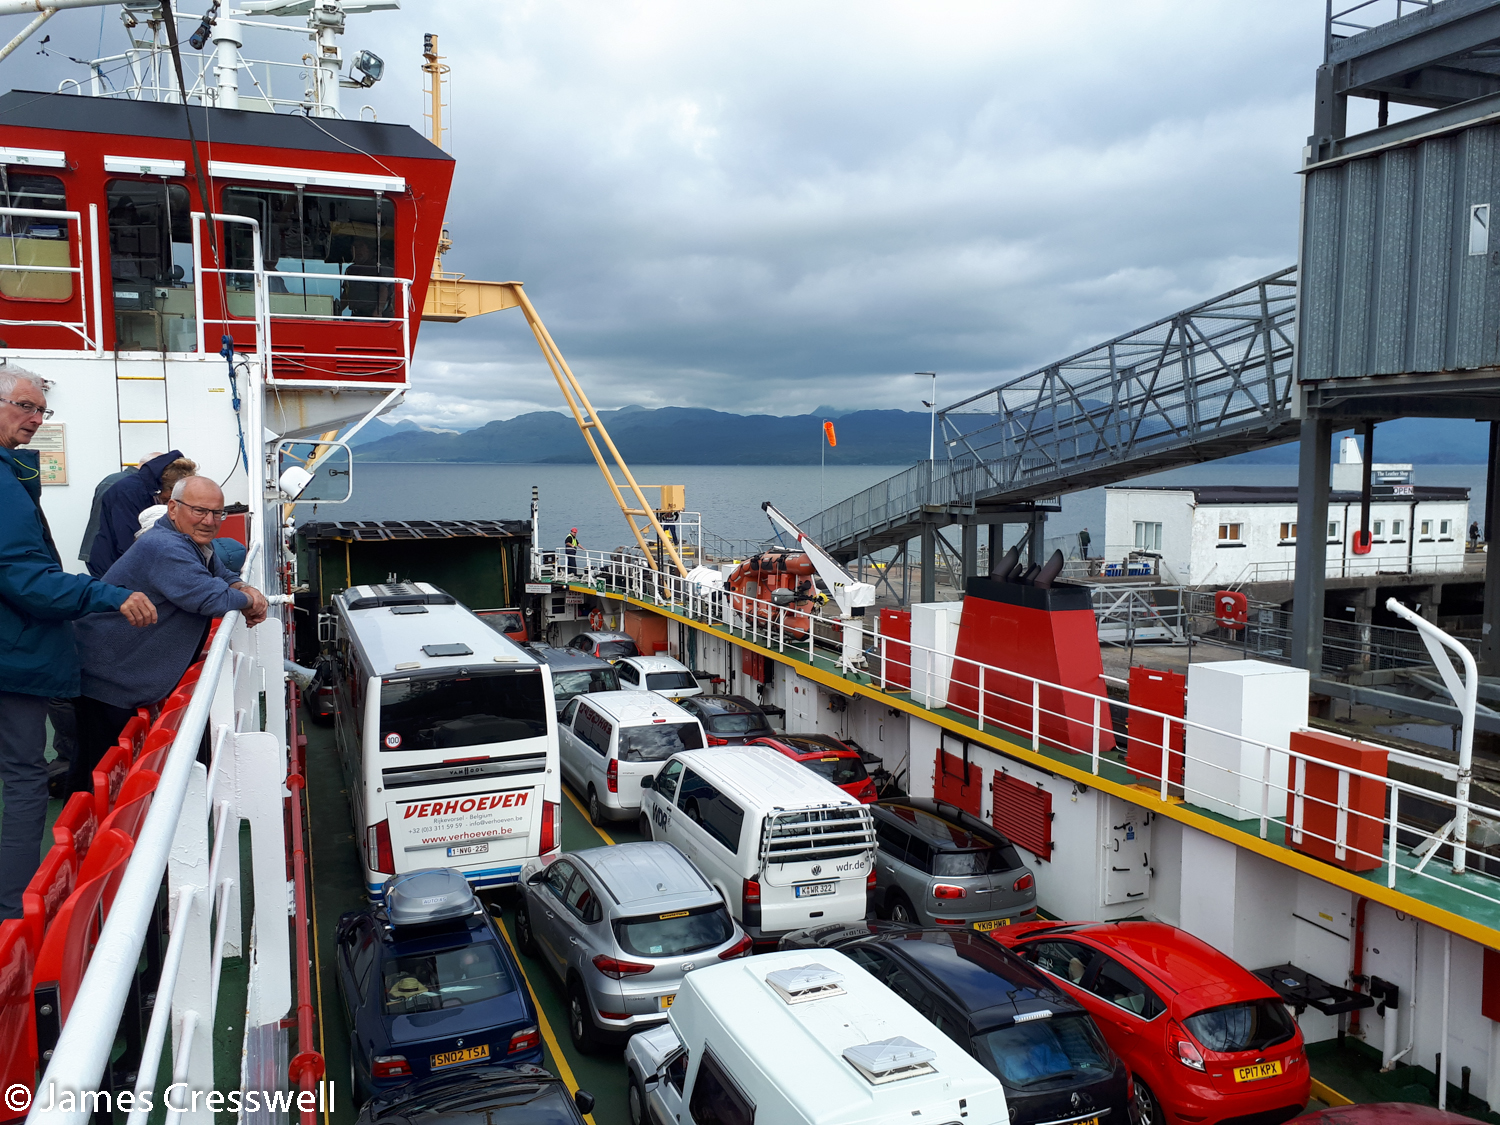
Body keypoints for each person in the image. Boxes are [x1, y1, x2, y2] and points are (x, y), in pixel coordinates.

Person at [0, 367, 156, 921]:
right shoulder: (4, 481)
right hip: (13, 658)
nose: (36, 419)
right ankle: (14, 913)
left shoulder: (13, 474)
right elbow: (24, 578)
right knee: (22, 776)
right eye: (25, 406)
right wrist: (106, 595)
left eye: (42, 410)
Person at [70, 476, 268, 795]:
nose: (210, 521)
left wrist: (243, 588)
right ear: (173, 508)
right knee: (98, 773)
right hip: (109, 676)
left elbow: (223, 576)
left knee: (100, 769)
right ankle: (83, 840)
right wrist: (251, 600)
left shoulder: (192, 542)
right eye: (200, 511)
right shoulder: (165, 546)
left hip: (121, 675)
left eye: (218, 513)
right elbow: (208, 598)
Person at [85, 451, 197, 577]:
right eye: (172, 496)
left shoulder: (148, 489)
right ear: (168, 487)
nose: (171, 502)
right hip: (111, 563)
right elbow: (129, 540)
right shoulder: (128, 491)